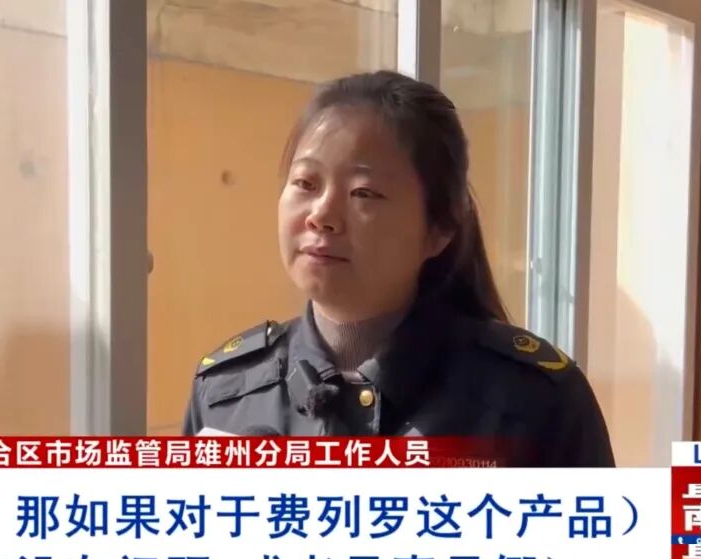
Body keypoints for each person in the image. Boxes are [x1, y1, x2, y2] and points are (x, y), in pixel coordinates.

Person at [181, 70, 614, 467]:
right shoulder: (225, 393)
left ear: (439, 229)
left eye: (364, 192)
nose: (321, 215)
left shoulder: (536, 403)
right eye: (305, 183)